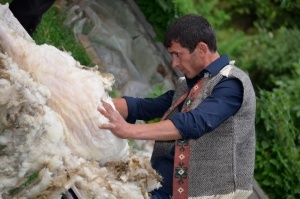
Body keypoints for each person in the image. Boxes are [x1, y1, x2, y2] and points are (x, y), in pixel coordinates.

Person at [98, 14, 256, 199]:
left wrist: (128, 130)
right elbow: (146, 107)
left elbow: (193, 123)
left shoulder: (232, 84)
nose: (174, 63)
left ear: (202, 49)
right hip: (160, 184)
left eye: (178, 54)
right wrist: (95, 103)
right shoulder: (192, 82)